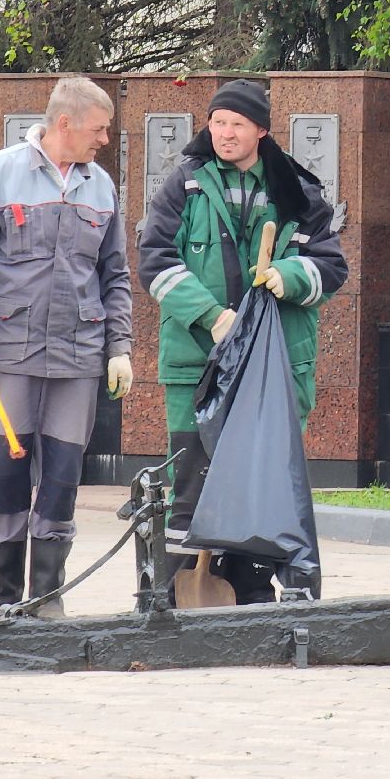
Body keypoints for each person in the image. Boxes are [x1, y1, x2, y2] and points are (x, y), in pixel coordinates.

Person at [138, 79, 347, 603]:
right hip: (196, 364)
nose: (224, 133)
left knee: (261, 486)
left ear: (261, 131)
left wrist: (291, 277)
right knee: (191, 480)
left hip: (272, 370)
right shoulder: (183, 184)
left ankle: (251, 595)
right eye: (217, 122)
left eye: (236, 124)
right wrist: (211, 316)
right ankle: (171, 597)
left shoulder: (296, 192)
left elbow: (332, 265)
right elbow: (155, 261)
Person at [0, 75, 133, 624]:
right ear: (65, 124)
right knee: (2, 472)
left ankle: (46, 596)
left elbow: (114, 274)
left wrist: (119, 346)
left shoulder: (102, 188)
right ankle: (0, 593)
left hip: (78, 356)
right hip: (10, 353)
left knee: (62, 475)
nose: (104, 141)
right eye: (98, 130)